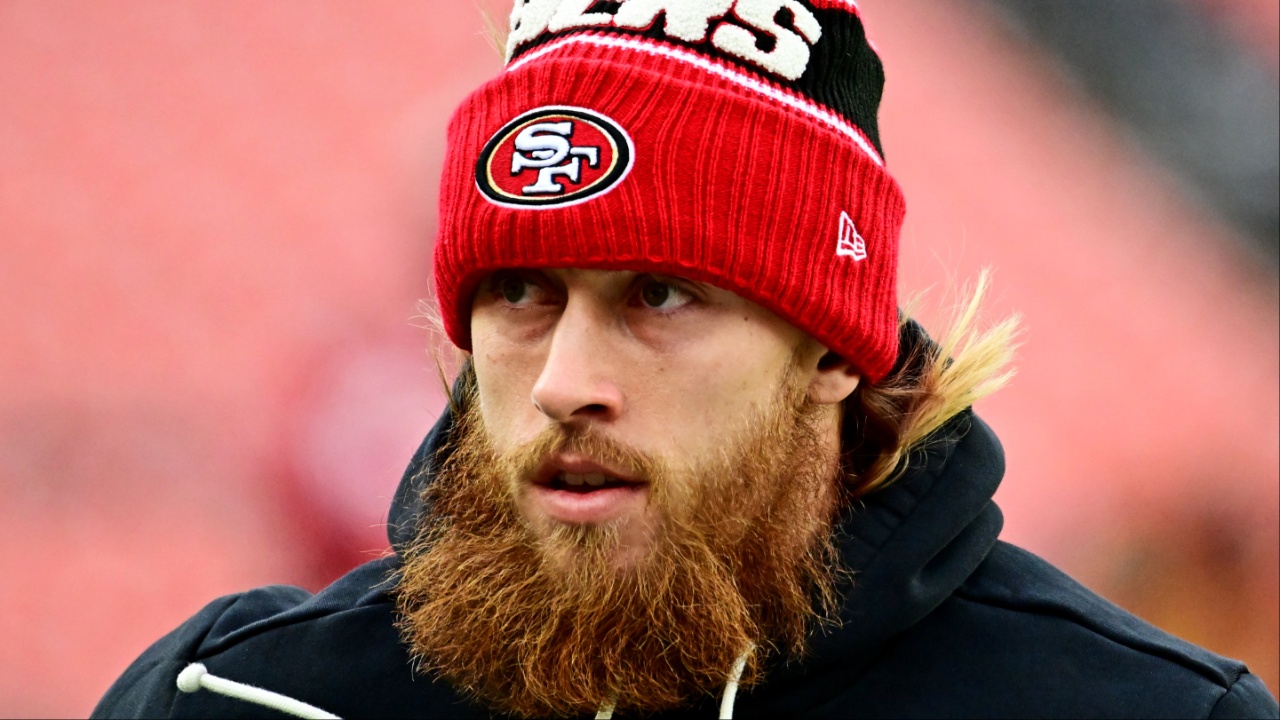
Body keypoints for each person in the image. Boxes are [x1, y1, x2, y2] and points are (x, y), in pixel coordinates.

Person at [94, 2, 1278, 718]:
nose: (563, 379)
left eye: (658, 296)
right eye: (518, 293)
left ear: (831, 345)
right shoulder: (244, 702)